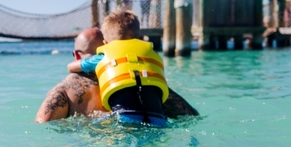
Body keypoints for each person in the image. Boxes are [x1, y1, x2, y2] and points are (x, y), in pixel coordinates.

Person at [35, 27, 198, 123]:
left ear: (77, 56)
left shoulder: (64, 91)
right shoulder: (142, 86)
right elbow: (192, 117)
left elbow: (42, 128)